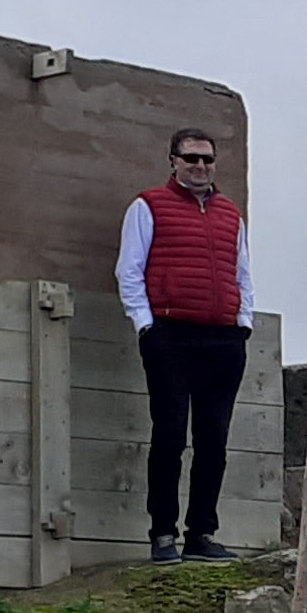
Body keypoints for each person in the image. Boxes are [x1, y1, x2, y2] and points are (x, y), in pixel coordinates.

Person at [117, 125, 251, 564]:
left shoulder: (231, 213)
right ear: (173, 160)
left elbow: (241, 272)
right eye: (190, 158)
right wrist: (146, 325)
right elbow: (129, 269)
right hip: (170, 335)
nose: (199, 166)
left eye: (207, 159)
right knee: (170, 435)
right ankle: (162, 535)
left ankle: (202, 534)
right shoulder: (147, 206)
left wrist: (243, 321)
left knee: (214, 440)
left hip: (224, 337)